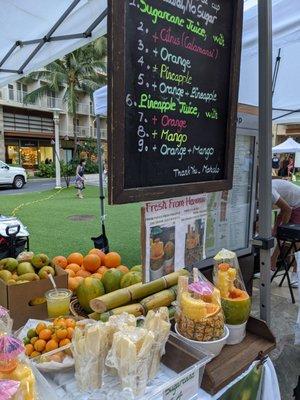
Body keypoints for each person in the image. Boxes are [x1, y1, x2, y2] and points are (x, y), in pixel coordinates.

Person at [271, 178, 300, 287]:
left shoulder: (269, 191)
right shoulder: (260, 190)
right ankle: (272, 264)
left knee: (296, 241)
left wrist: (283, 229)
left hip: (298, 204)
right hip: (288, 205)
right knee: (276, 234)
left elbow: (288, 210)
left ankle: (296, 273)